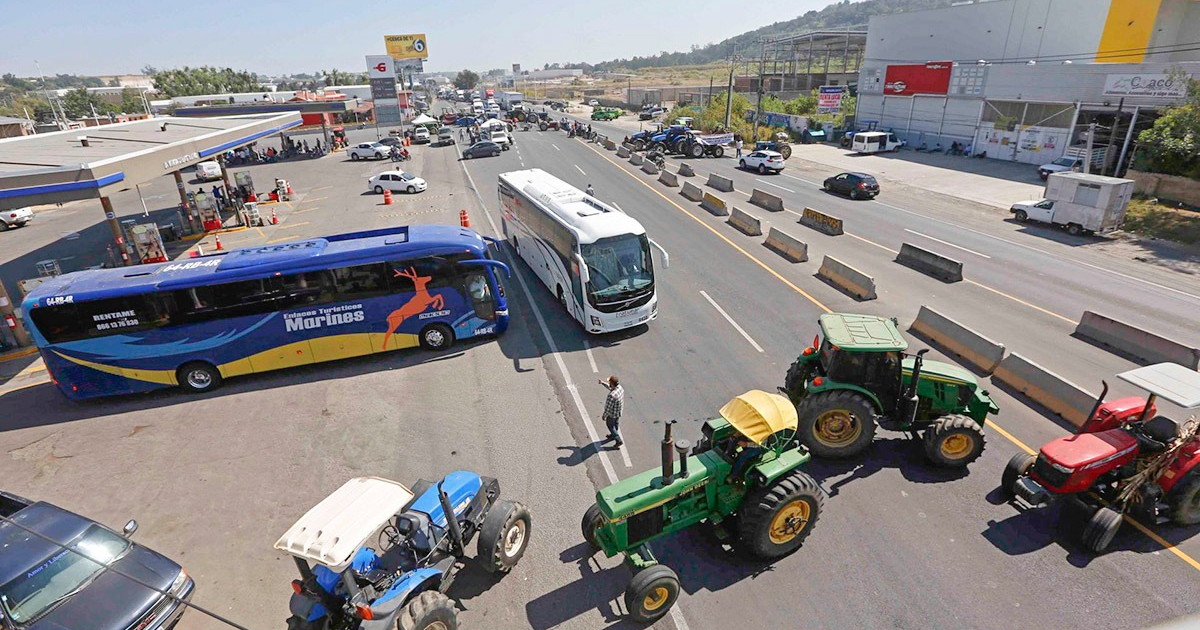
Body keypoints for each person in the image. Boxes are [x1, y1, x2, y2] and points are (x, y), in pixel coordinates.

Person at [599, 375, 624, 446]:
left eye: (609, 382)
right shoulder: (620, 388)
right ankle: (613, 434)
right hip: (618, 411)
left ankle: (618, 439)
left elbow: (608, 407)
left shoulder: (612, 395)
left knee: (610, 425)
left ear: (612, 383)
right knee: (616, 423)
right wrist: (602, 383)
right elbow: (610, 388)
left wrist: (604, 415)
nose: (609, 383)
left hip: (612, 413)